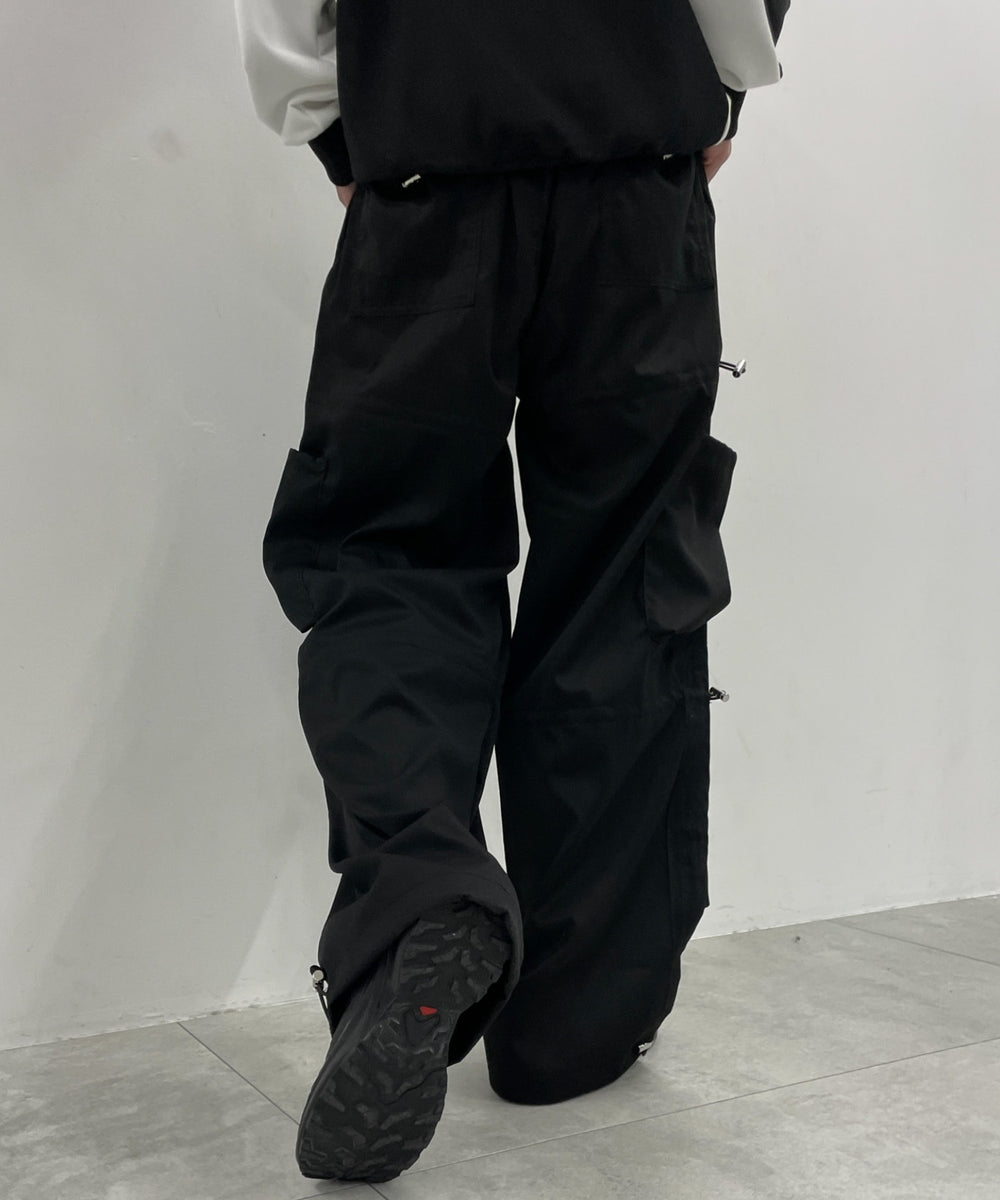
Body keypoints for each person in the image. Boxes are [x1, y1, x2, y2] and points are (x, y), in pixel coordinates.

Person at [234, 0, 790, 1184]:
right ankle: (575, 1023)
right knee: (622, 581)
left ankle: (422, 901)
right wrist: (722, 87)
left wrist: (338, 129)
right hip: (635, 175)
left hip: (425, 175)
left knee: (389, 555)